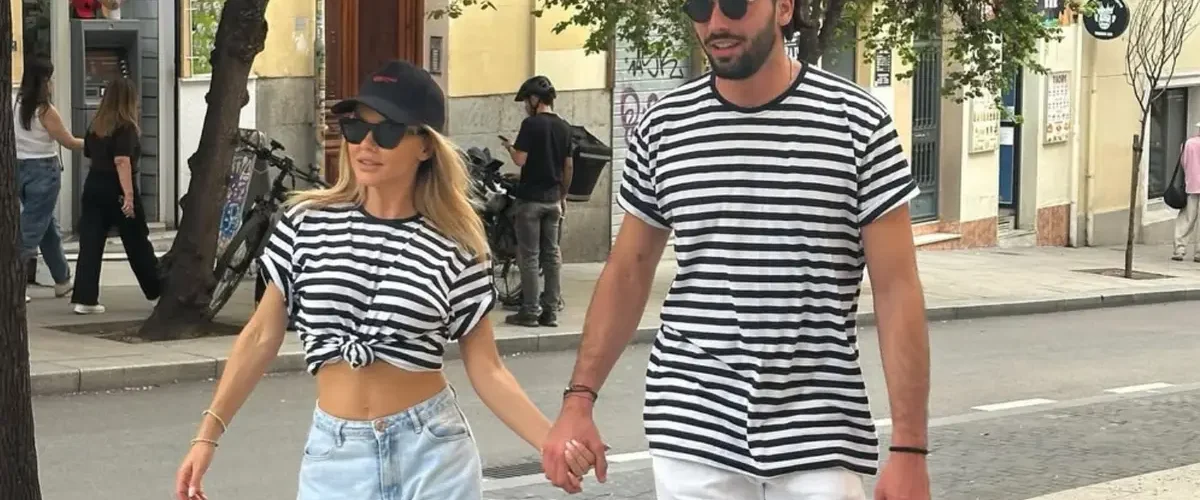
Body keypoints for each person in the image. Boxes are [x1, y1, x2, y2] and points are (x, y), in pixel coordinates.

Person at [538, 0, 932, 499]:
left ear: (784, 8)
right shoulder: (664, 127)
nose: (717, 22)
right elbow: (627, 272)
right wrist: (578, 401)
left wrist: (910, 449)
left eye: (736, 4)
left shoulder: (857, 123)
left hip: (819, 430)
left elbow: (897, 289)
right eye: (700, 6)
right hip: (692, 428)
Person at [173, 60, 595, 500]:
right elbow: (261, 335)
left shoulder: (458, 245)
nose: (366, 144)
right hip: (336, 459)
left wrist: (550, 442)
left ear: (426, 146)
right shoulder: (304, 223)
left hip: (433, 454)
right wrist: (207, 436)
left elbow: (487, 368)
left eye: (388, 131)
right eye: (356, 127)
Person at [70, 78, 161, 314]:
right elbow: (122, 161)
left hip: (94, 186)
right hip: (118, 188)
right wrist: (128, 196)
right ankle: (156, 291)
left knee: (90, 243)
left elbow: (89, 153)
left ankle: (85, 299)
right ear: (129, 100)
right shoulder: (126, 128)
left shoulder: (95, 126)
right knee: (136, 240)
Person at [500, 75, 574, 328]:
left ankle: (530, 310)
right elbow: (568, 166)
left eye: (526, 101)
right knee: (552, 256)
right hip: (553, 201)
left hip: (530, 200)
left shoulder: (531, 125)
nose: (525, 106)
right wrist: (562, 196)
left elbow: (520, 160)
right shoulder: (564, 127)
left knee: (529, 256)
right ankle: (550, 310)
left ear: (534, 99)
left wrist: (510, 147)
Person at [15, 58, 82, 303]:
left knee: (46, 228)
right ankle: (13, 286)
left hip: (19, 168)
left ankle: (62, 279)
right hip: (44, 172)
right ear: (43, 82)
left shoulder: (15, 104)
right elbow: (68, 141)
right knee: (30, 231)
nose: (52, 84)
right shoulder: (45, 111)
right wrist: (98, 143)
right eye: (50, 79)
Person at [1173, 121, 1200, 262]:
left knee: (1187, 218)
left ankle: (1180, 248)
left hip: (1191, 185)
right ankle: (1199, 253)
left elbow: (1184, 163)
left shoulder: (1188, 144)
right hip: (1193, 185)